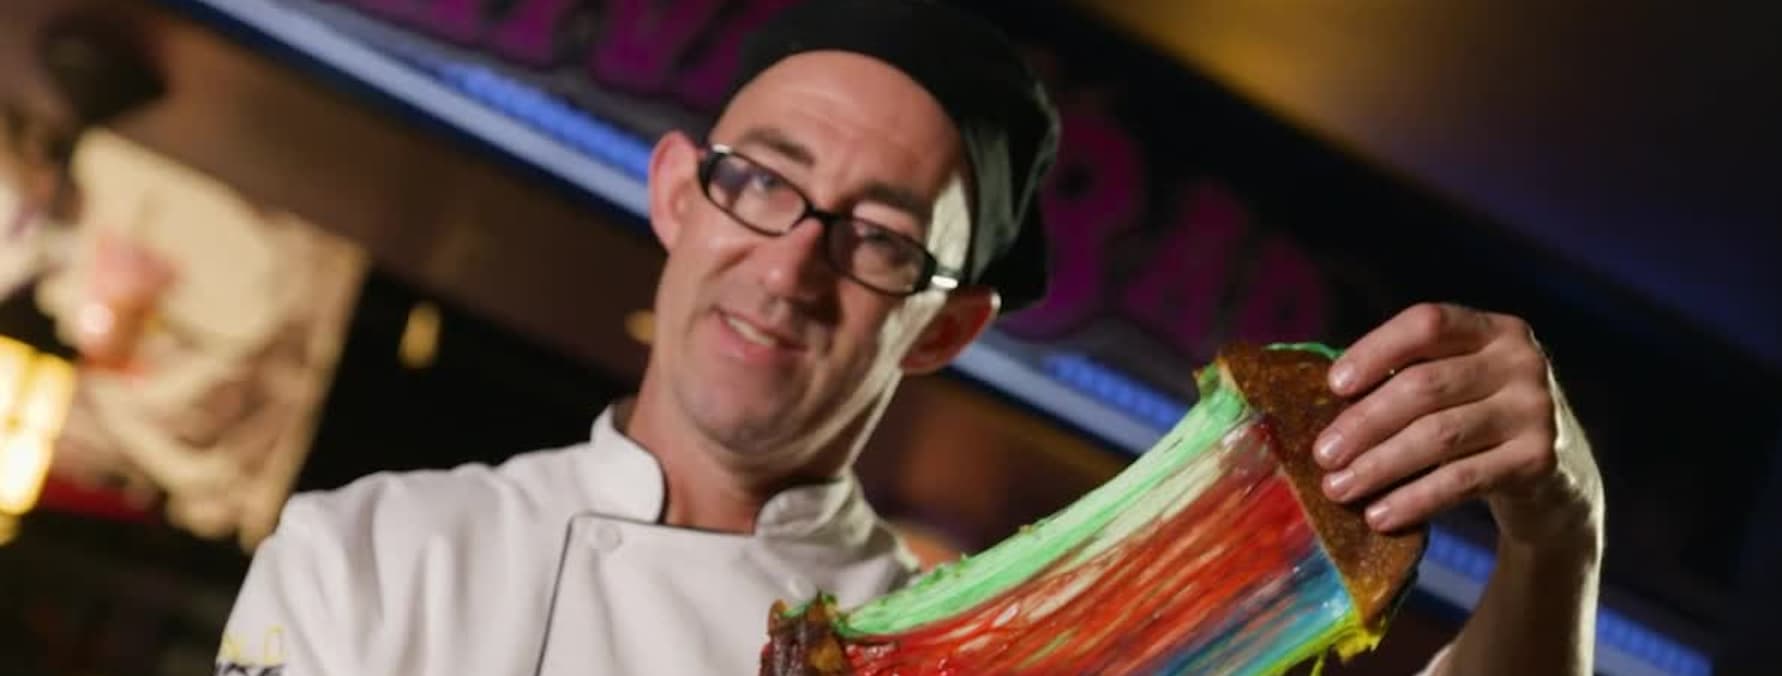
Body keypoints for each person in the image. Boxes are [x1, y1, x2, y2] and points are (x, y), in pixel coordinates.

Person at [217, 1, 1604, 674]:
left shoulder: (990, 655)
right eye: (761, 182)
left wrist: (1559, 539)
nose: (791, 265)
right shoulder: (372, 551)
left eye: (880, 236)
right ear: (676, 192)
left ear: (947, 323)